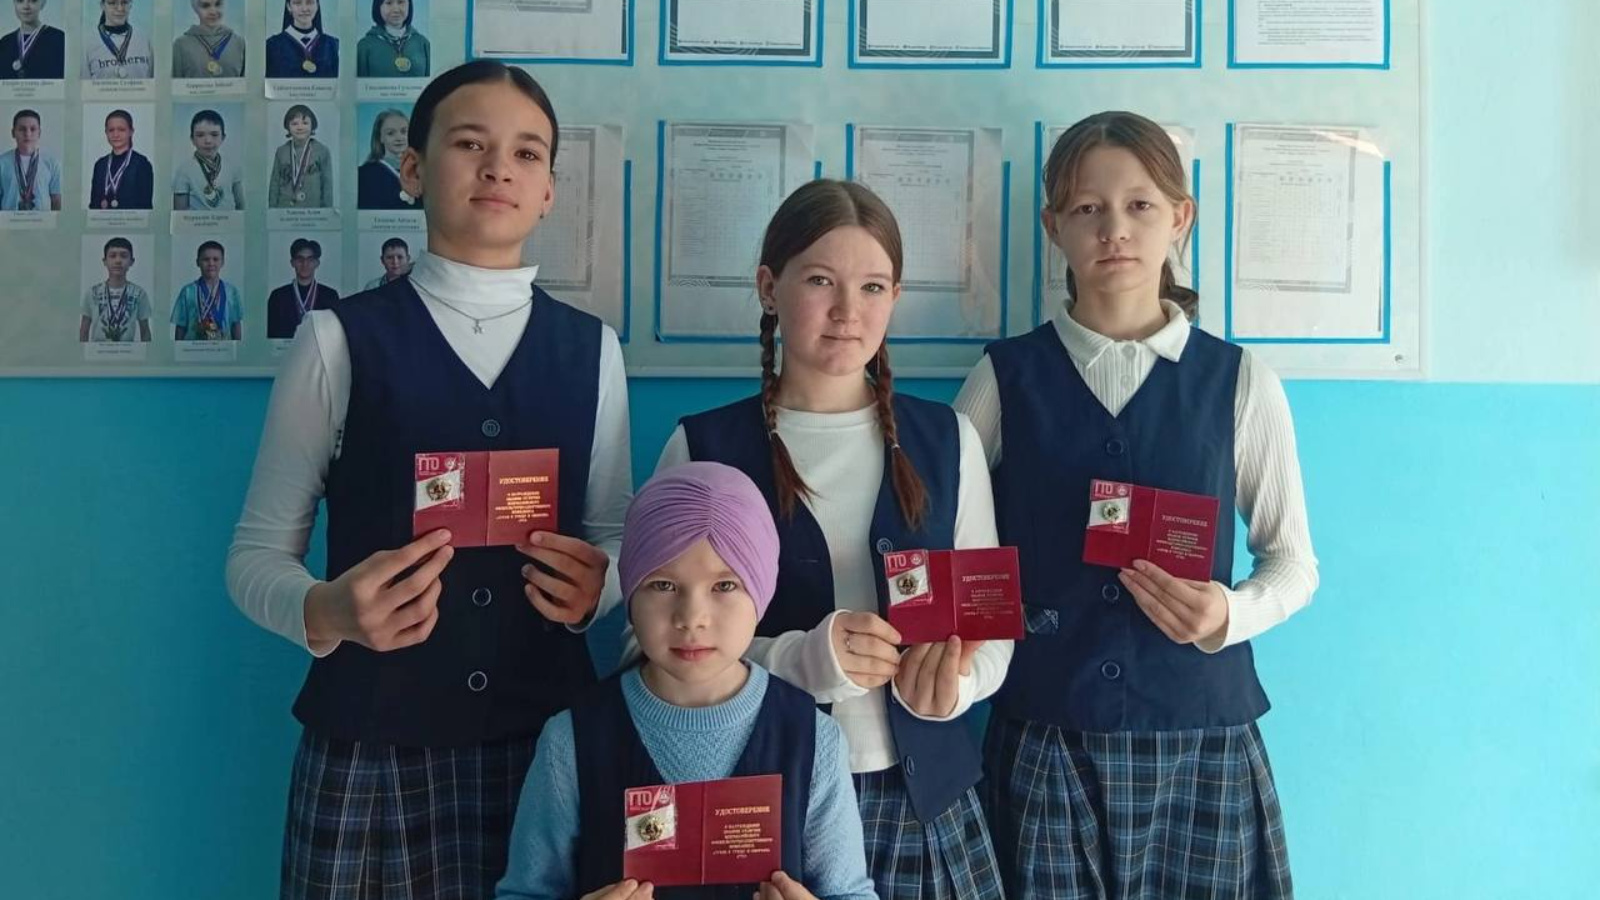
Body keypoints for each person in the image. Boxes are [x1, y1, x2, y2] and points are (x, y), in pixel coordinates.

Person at [226, 60, 633, 899]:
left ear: (549, 191)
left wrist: (606, 587)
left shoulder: (593, 351)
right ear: (412, 169)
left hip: (548, 746)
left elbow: (619, 542)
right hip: (370, 748)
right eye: (470, 144)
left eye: (527, 153)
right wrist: (326, 611)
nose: (498, 168)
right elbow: (254, 558)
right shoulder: (336, 341)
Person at [958, 111, 1319, 899]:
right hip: (1048, 726)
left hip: (1201, 731)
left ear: (1180, 217)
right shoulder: (1004, 378)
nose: (1114, 229)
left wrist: (1230, 614)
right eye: (1087, 208)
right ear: (1054, 226)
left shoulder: (1239, 380)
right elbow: (947, 538)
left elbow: (1294, 562)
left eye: (1140, 205)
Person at [650, 179, 1011, 900]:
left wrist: (957, 688)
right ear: (769, 288)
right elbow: (645, 647)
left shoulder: (950, 440)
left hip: (926, 803)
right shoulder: (703, 447)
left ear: (895, 298)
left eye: (872, 287)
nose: (848, 311)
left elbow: (990, 628)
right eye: (820, 280)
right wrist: (799, 660)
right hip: (766, 811)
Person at [496, 462, 878, 900]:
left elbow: (851, 892)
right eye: (663, 585)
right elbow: (523, 892)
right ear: (630, 591)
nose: (691, 618)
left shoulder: (814, 740)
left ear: (761, 590)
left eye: (724, 586)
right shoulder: (571, 740)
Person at [79, 237, 152, 343]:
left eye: (124, 256)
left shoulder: (139, 293)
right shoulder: (92, 293)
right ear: (105, 261)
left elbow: (145, 331)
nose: (118, 261)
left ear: (132, 261)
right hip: (98, 351)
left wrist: (148, 353)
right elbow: (84, 330)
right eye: (112, 256)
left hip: (127, 351)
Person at [267, 237, 341, 338]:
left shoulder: (330, 296)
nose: (305, 264)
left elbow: (333, 334)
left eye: (310, 259)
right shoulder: (278, 296)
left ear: (317, 263)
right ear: (292, 263)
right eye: (300, 259)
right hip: (286, 348)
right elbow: (272, 335)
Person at [172, 109, 244, 211]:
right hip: (197, 221)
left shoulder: (233, 166)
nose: (208, 141)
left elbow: (241, 205)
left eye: (214, 135)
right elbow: (179, 212)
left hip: (228, 221)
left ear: (223, 138)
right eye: (200, 135)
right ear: (192, 139)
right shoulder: (184, 170)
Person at [171, 239, 242, 340]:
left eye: (215, 259)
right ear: (197, 262)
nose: (211, 263)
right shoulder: (188, 291)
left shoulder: (231, 292)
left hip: (224, 346)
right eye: (206, 259)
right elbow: (181, 326)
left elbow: (236, 324)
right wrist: (178, 348)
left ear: (222, 262)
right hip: (192, 347)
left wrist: (238, 348)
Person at [268, 104, 332, 209]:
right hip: (284, 209)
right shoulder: (281, 151)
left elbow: (327, 186)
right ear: (288, 127)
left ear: (312, 125)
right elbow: (274, 183)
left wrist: (327, 211)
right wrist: (272, 209)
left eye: (305, 123)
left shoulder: (322, 151)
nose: (300, 127)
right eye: (294, 124)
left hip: (313, 210)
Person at [88, 109, 153, 211]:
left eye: (121, 130)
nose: (115, 135)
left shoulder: (142, 164)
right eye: (111, 130)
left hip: (131, 220)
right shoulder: (100, 165)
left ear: (131, 132)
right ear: (106, 132)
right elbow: (93, 205)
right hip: (102, 220)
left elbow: (145, 207)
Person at [357, 108, 419, 210]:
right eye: (391, 133)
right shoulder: (364, 174)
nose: (399, 138)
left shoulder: (421, 172)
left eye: (404, 132)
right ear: (380, 137)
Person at [0, 109, 61, 211]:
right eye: (22, 129)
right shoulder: (2, 163)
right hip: (9, 220)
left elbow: (56, 200)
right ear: (13, 133)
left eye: (33, 129)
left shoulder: (52, 163)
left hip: (42, 220)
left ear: (39, 133)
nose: (27, 134)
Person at [82, 0, 155, 80]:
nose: (120, 8)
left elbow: (153, 83)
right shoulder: (88, 43)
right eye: (112, 3)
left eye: (124, 2)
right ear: (102, 5)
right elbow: (84, 86)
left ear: (130, 5)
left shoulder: (144, 40)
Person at [171, 0, 244, 78]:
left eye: (218, 4)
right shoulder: (181, 45)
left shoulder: (239, 43)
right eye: (205, 6)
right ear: (195, 8)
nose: (213, 12)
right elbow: (175, 83)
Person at [356, 0, 429, 78]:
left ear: (409, 5)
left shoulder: (423, 44)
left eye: (400, 2)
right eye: (389, 3)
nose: (396, 10)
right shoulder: (364, 46)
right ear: (378, 7)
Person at [265, 0, 337, 78]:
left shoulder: (333, 45)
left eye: (310, 2)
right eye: (297, 3)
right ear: (289, 7)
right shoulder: (271, 46)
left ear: (317, 5)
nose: (304, 9)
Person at [0, 0, 67, 80]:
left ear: (43, 3)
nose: (26, 6)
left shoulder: (59, 39)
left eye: (33, 1)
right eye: (20, 1)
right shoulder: (5, 43)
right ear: (14, 3)